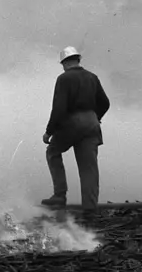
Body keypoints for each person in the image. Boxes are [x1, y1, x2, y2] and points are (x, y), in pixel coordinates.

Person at [41, 47, 110, 211]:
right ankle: (90, 210)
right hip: (92, 123)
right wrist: (95, 117)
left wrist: (49, 131)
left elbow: (59, 108)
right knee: (89, 169)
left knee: (53, 152)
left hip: (73, 123)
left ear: (64, 62)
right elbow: (105, 103)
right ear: (78, 59)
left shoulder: (64, 78)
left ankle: (59, 195)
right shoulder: (92, 77)